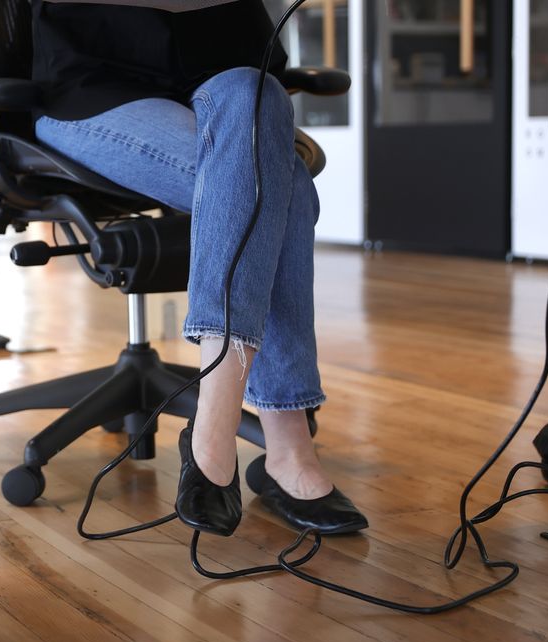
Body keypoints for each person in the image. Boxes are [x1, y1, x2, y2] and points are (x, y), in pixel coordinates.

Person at [31, 0, 367, 536]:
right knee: (286, 187)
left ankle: (219, 416)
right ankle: (278, 445)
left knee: (255, 91)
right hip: (94, 88)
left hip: (221, 71)